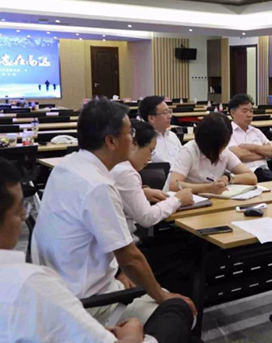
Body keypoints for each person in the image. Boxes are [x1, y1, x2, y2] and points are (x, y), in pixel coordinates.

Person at [0, 158, 195, 343]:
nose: (24, 217)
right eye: (19, 211)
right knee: (179, 310)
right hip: (100, 311)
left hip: (90, 295)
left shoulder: (66, 169)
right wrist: (133, 334)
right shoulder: (29, 286)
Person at [32, 98, 197, 326]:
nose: (132, 140)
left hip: (58, 290)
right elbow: (130, 258)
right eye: (129, 133)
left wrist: (117, 271)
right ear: (111, 141)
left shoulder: (69, 165)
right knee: (181, 313)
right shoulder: (98, 185)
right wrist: (163, 296)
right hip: (88, 304)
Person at [110, 120, 194, 242]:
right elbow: (147, 218)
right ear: (133, 144)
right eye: (150, 150)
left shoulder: (114, 164)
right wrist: (178, 199)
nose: (150, 158)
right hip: (124, 244)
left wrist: (142, 192)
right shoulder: (126, 172)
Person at [170, 112, 257, 194]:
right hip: (188, 200)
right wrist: (208, 188)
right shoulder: (189, 151)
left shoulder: (225, 153)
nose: (221, 149)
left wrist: (229, 178)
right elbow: (174, 185)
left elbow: (252, 177)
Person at [226, 94, 272, 182]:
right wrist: (264, 155)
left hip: (265, 172)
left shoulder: (256, 131)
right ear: (232, 113)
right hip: (244, 176)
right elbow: (240, 155)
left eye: (251, 111)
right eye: (244, 111)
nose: (249, 114)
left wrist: (252, 147)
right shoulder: (227, 132)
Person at [138, 95, 182, 165]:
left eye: (169, 112)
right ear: (151, 118)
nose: (170, 116)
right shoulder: (144, 141)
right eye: (165, 113)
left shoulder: (173, 136)